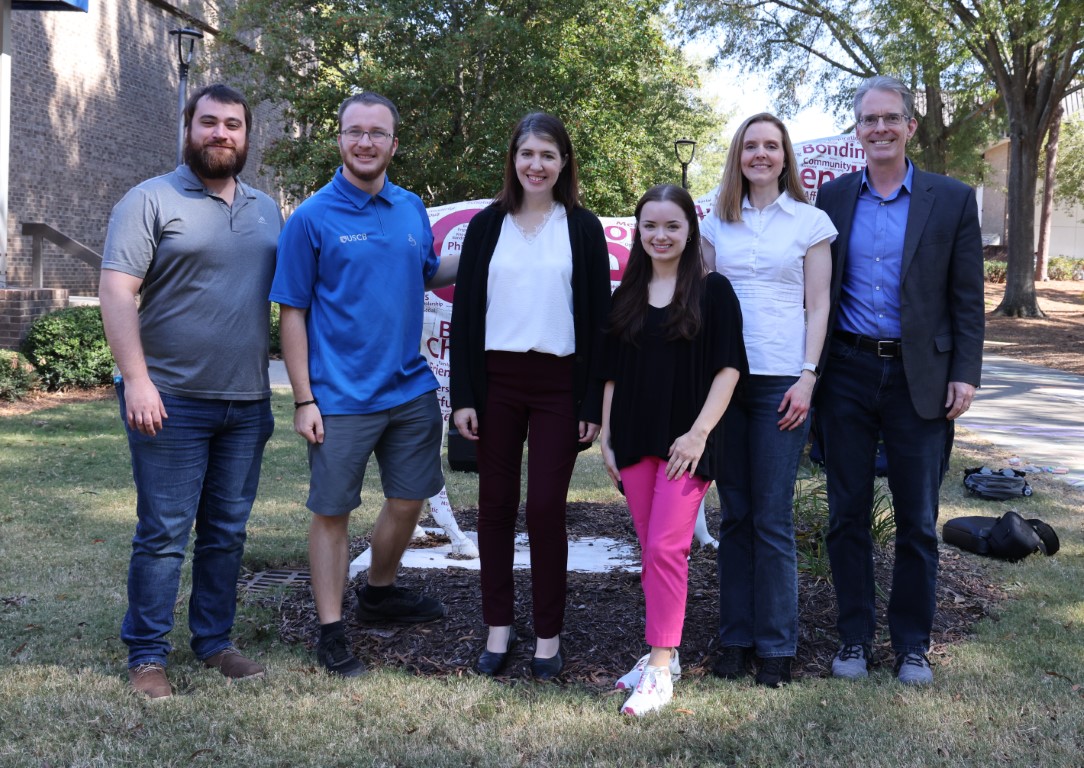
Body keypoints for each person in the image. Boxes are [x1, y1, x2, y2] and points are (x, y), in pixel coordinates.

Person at [99, 84, 282, 699]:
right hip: (170, 401)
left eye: (233, 124)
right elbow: (117, 291)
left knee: (227, 531)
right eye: (210, 122)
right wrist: (138, 380)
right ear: (188, 127)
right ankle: (147, 655)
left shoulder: (266, 209)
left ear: (247, 136)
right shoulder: (148, 199)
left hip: (248, 402)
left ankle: (214, 642)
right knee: (164, 533)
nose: (221, 134)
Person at [271, 91, 459, 678]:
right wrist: (305, 398)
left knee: (410, 499)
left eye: (378, 133)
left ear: (393, 144)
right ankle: (331, 630)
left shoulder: (409, 208)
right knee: (333, 512)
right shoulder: (311, 217)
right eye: (355, 131)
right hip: (340, 397)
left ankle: (378, 593)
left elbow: (429, 272)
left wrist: (484, 251)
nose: (366, 142)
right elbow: (292, 312)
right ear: (340, 139)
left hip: (409, 389)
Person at [815, 75, 984, 685]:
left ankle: (912, 644)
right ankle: (854, 639)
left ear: (911, 126)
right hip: (848, 373)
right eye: (868, 120)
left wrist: (965, 373)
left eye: (891, 118)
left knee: (917, 519)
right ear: (856, 130)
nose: (879, 129)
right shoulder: (831, 200)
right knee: (846, 514)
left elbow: (968, 298)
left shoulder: (952, 198)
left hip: (924, 378)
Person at [450, 112, 610, 680]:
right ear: (512, 160)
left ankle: (548, 634)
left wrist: (591, 404)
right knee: (493, 507)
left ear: (564, 162)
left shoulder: (583, 228)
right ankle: (499, 627)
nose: (536, 165)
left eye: (547, 155)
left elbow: (598, 323)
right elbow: (467, 314)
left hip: (558, 385)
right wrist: (464, 395)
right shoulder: (488, 226)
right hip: (496, 383)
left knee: (543, 509)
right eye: (527, 154)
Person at [701, 114, 836, 687]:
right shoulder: (714, 220)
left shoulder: (811, 221)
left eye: (771, 146)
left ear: (785, 158)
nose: (760, 154)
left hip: (782, 381)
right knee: (734, 516)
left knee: (773, 517)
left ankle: (777, 645)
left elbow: (819, 305)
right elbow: (701, 299)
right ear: (738, 155)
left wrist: (808, 377)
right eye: (750, 146)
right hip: (725, 383)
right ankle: (735, 638)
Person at [600, 184, 745, 715]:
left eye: (672, 226)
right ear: (639, 233)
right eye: (650, 227)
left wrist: (699, 433)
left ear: (690, 231)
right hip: (635, 439)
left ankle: (660, 666)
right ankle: (667, 653)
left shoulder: (714, 292)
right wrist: (607, 439)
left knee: (666, 547)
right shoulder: (628, 296)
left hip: (687, 443)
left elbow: (729, 368)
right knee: (652, 549)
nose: (660, 236)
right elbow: (611, 376)